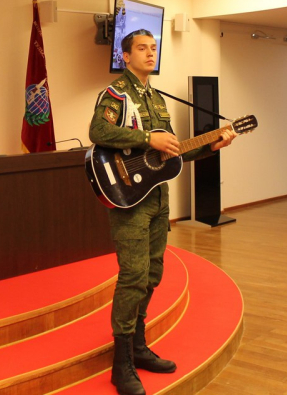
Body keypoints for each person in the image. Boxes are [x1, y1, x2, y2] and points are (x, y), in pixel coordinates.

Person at [88, 29, 236, 395]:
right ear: (126, 56)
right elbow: (98, 130)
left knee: (153, 273)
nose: (150, 53)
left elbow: (171, 151)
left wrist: (211, 146)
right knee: (134, 275)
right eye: (142, 48)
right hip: (129, 199)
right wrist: (145, 138)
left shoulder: (157, 98)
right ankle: (121, 362)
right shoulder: (116, 94)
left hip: (156, 198)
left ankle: (138, 346)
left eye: (153, 48)